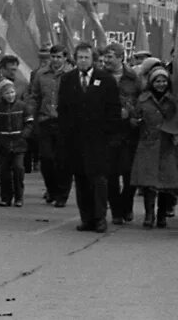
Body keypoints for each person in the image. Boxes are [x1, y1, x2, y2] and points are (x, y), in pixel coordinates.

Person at [57, 42, 121, 233]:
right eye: (79, 57)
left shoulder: (106, 79)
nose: (83, 61)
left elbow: (114, 111)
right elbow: (63, 110)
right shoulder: (68, 79)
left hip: (99, 141)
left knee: (99, 181)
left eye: (86, 57)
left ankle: (100, 218)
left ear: (93, 59)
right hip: (76, 142)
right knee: (81, 181)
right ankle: (87, 218)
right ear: (75, 59)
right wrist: (65, 137)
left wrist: (110, 136)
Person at [130, 66, 178, 228]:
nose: (161, 84)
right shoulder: (143, 99)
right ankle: (149, 215)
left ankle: (162, 215)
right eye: (157, 81)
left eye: (164, 81)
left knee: (166, 183)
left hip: (167, 145)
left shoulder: (173, 101)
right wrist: (134, 121)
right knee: (148, 182)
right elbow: (135, 117)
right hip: (148, 143)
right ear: (152, 82)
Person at [100, 42, 141, 224]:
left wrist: (132, 113)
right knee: (111, 174)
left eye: (110, 57)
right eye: (105, 57)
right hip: (108, 131)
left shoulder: (133, 78)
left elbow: (142, 101)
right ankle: (116, 210)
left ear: (120, 57)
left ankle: (127, 203)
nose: (106, 60)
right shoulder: (99, 77)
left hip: (129, 130)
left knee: (129, 172)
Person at [29, 44, 72, 207]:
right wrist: (31, 115)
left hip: (64, 122)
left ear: (65, 58)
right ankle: (51, 189)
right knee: (46, 159)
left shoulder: (71, 75)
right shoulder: (41, 74)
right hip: (45, 120)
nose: (55, 60)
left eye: (59, 57)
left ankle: (62, 194)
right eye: (53, 57)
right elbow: (34, 96)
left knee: (62, 161)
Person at [0, 79, 33, 207]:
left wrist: (24, 135)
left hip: (19, 145)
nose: (10, 95)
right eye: (7, 93)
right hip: (3, 145)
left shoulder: (23, 106)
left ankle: (19, 197)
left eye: (12, 92)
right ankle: (6, 197)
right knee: (4, 172)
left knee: (19, 169)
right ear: (2, 95)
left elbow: (29, 123)